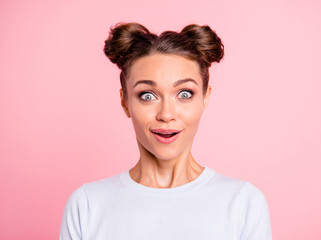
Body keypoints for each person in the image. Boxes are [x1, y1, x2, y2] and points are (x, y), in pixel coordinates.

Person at [59, 22, 272, 240]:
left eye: (185, 94)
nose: (166, 114)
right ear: (125, 102)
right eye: (148, 95)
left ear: (205, 97)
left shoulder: (243, 203)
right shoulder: (87, 206)